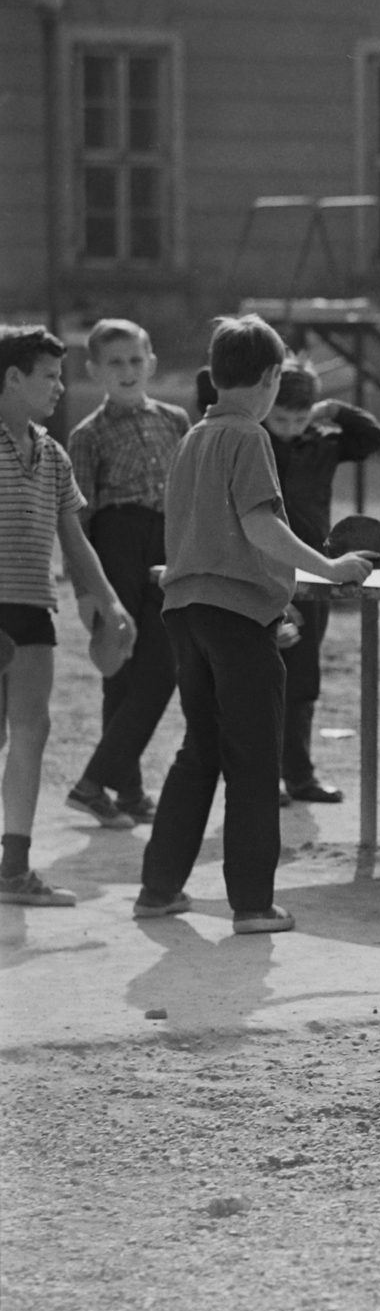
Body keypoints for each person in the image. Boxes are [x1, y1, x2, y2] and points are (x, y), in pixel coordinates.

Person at [135, 315, 373, 934]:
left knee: (200, 750)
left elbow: (205, 535)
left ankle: (158, 889)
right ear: (271, 379)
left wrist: (275, 602)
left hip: (187, 612)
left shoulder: (192, 438)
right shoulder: (250, 436)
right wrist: (329, 566)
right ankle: (252, 904)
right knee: (253, 759)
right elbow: (261, 526)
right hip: (236, 620)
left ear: (217, 375)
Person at [0, 326, 136, 907]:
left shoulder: (52, 454)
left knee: (33, 730)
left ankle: (13, 869)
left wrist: (110, 602)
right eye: (50, 377)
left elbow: (75, 542)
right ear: (12, 378)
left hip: (34, 608)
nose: (60, 387)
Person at [62, 319, 190, 828]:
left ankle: (102, 782)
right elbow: (78, 520)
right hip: (114, 545)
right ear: (94, 371)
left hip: (165, 543)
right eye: (115, 363)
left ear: (151, 363)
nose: (127, 371)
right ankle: (119, 788)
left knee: (161, 665)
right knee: (121, 672)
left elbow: (188, 491)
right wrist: (87, 593)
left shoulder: (177, 420)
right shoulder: (86, 435)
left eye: (136, 360)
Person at [262, 360, 380, 805]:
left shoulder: (322, 442)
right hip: (264, 570)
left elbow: (377, 438)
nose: (291, 427)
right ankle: (263, 777)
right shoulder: (253, 442)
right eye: (281, 417)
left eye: (300, 418)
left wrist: (333, 410)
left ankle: (299, 776)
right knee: (263, 678)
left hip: (317, 569)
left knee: (303, 678)